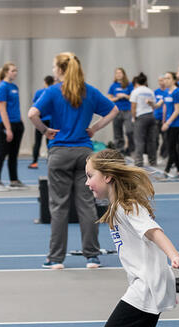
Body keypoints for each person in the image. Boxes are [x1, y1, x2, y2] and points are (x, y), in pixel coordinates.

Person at [84, 149, 179, 327]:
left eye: (90, 176)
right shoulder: (120, 206)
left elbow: (154, 232)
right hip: (152, 281)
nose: (87, 182)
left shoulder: (127, 206)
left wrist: (174, 256)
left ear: (108, 177)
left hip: (148, 283)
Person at [28, 52, 118, 270]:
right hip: (84, 154)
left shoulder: (52, 91)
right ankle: (92, 257)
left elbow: (32, 114)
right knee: (87, 205)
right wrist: (95, 128)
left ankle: (56, 258)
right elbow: (114, 110)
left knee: (58, 207)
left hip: (59, 153)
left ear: (60, 69)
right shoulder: (90, 91)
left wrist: (46, 130)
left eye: (53, 67)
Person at [0, 63, 26, 191]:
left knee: (13, 154)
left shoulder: (14, 87)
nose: (15, 73)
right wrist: (8, 129)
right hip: (5, 124)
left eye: (16, 70)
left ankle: (14, 180)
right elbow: (2, 108)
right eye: (13, 70)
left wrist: (20, 122)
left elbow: (16, 106)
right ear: (6, 72)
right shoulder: (2, 87)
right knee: (2, 153)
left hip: (17, 124)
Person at [156, 72, 179, 177]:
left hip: (176, 124)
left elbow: (177, 111)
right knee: (172, 147)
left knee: (171, 147)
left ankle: (167, 170)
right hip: (168, 123)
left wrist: (167, 123)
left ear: (174, 80)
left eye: (168, 78)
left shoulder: (177, 92)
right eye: (164, 78)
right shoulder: (166, 92)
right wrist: (150, 103)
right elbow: (160, 105)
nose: (165, 80)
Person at [129, 72, 156, 167]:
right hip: (151, 116)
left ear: (136, 82)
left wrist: (133, 117)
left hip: (141, 117)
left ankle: (139, 161)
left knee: (139, 140)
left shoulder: (135, 91)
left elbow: (133, 107)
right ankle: (153, 160)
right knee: (151, 140)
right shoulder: (150, 91)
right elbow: (154, 106)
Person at [29, 75, 55, 169]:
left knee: (37, 142)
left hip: (40, 121)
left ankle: (34, 162)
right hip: (51, 121)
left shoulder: (39, 92)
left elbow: (35, 106)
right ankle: (50, 161)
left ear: (45, 82)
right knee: (50, 142)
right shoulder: (54, 92)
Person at [107, 68, 134, 156]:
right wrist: (117, 98)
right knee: (117, 132)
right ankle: (120, 150)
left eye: (120, 73)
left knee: (129, 130)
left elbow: (133, 97)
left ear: (123, 74)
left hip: (127, 110)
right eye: (116, 73)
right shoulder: (113, 86)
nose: (118, 74)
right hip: (116, 111)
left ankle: (130, 149)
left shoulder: (129, 85)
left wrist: (125, 96)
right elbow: (109, 98)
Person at [153, 75, 167, 164]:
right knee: (155, 138)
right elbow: (154, 104)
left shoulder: (168, 92)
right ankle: (155, 156)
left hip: (165, 118)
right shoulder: (156, 92)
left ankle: (164, 154)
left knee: (166, 139)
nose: (161, 82)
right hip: (156, 118)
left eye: (162, 80)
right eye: (159, 81)